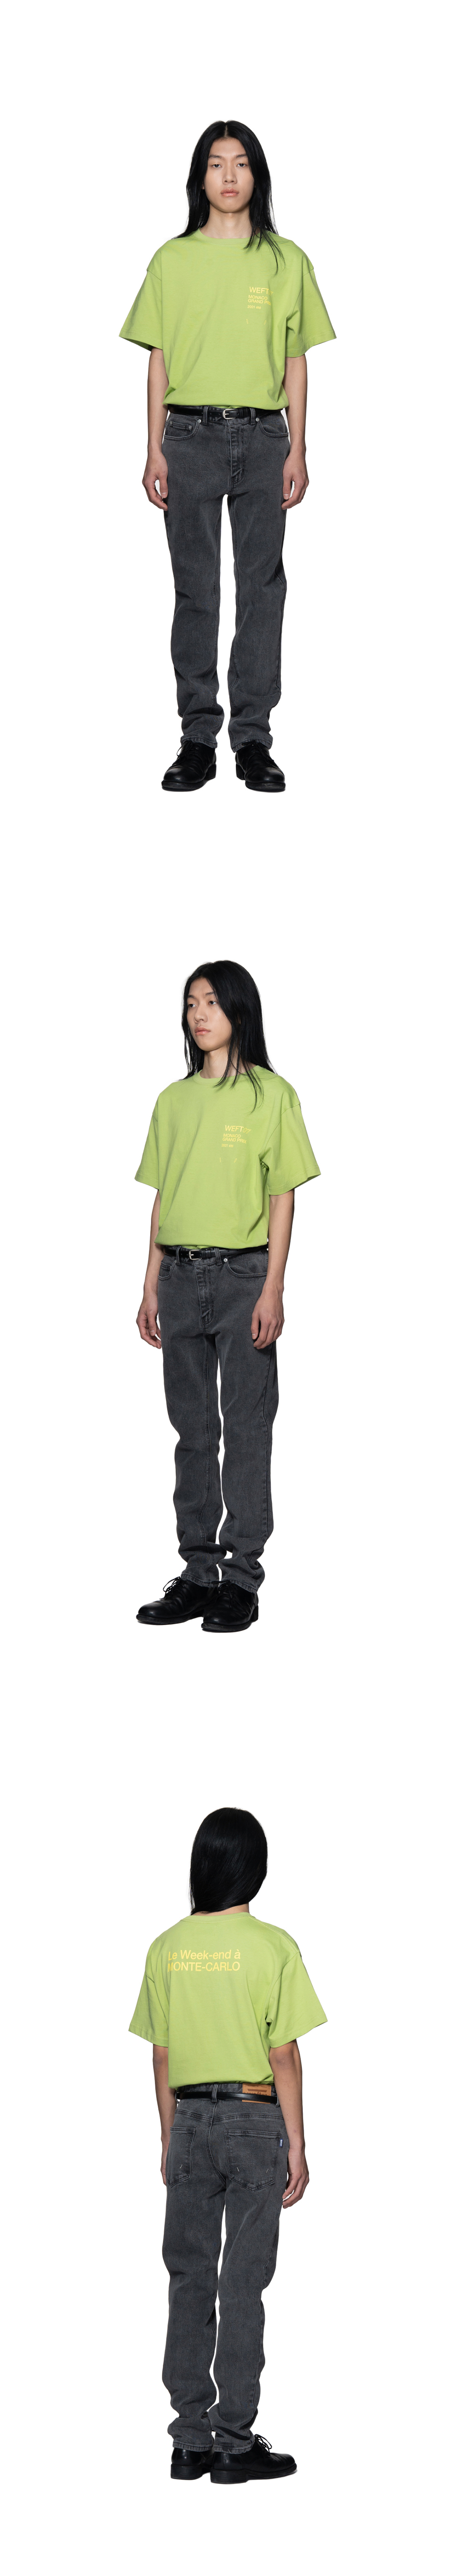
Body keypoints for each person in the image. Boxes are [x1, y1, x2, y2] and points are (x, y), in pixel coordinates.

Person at [120, 119, 335, 794]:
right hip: (188, 437)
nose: (230, 176)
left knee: (262, 588)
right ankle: (196, 737)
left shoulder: (286, 260)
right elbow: (158, 357)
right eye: (217, 164)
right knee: (196, 589)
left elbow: (296, 359)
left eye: (241, 163)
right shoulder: (172, 259)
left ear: (257, 175)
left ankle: (253, 739)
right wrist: (152, 446)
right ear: (201, 178)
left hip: (265, 438)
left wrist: (299, 446)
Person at [130, 1804, 326, 2482]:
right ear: (255, 1868)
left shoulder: (166, 1947)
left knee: (188, 2277)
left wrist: (169, 2135)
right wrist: (297, 2144)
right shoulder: (273, 1945)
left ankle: (189, 2442)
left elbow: (161, 2055)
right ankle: (235, 2445)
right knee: (242, 2283)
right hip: (253, 2120)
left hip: (188, 2117)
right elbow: (283, 2053)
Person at [135, 959, 319, 1633]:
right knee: (192, 1432)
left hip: (245, 1280)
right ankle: (197, 1572)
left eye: (211, 1001)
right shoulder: (173, 1101)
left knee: (246, 1428)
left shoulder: (272, 1095)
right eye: (191, 1003)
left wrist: (274, 1287)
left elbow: (283, 1196)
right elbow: (164, 1197)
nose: (199, 1014)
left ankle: (241, 1578)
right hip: (180, 1278)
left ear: (240, 1009)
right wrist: (149, 1284)